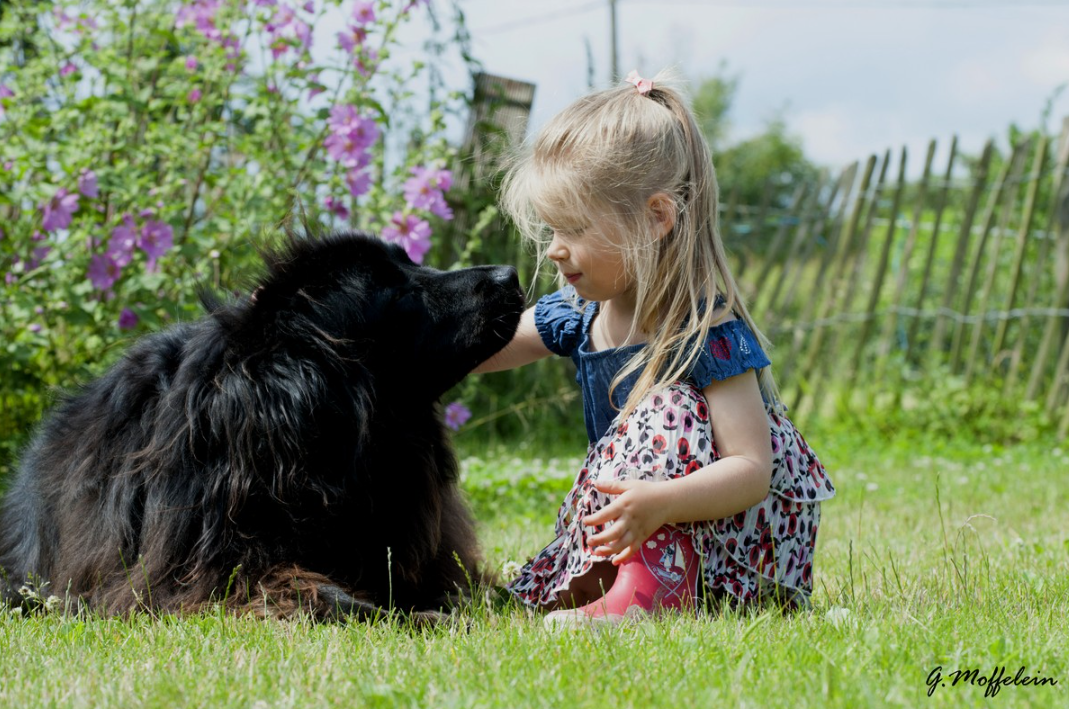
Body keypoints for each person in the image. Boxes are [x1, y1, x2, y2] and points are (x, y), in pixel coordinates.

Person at [474, 69, 835, 627]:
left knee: (666, 405)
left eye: (572, 229)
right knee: (532, 602)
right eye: (550, 232)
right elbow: (485, 349)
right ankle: (626, 587)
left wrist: (661, 501)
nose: (555, 252)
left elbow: (750, 468)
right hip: (645, 517)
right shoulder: (579, 312)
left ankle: (651, 593)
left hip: (731, 545)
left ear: (656, 218)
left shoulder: (704, 330)